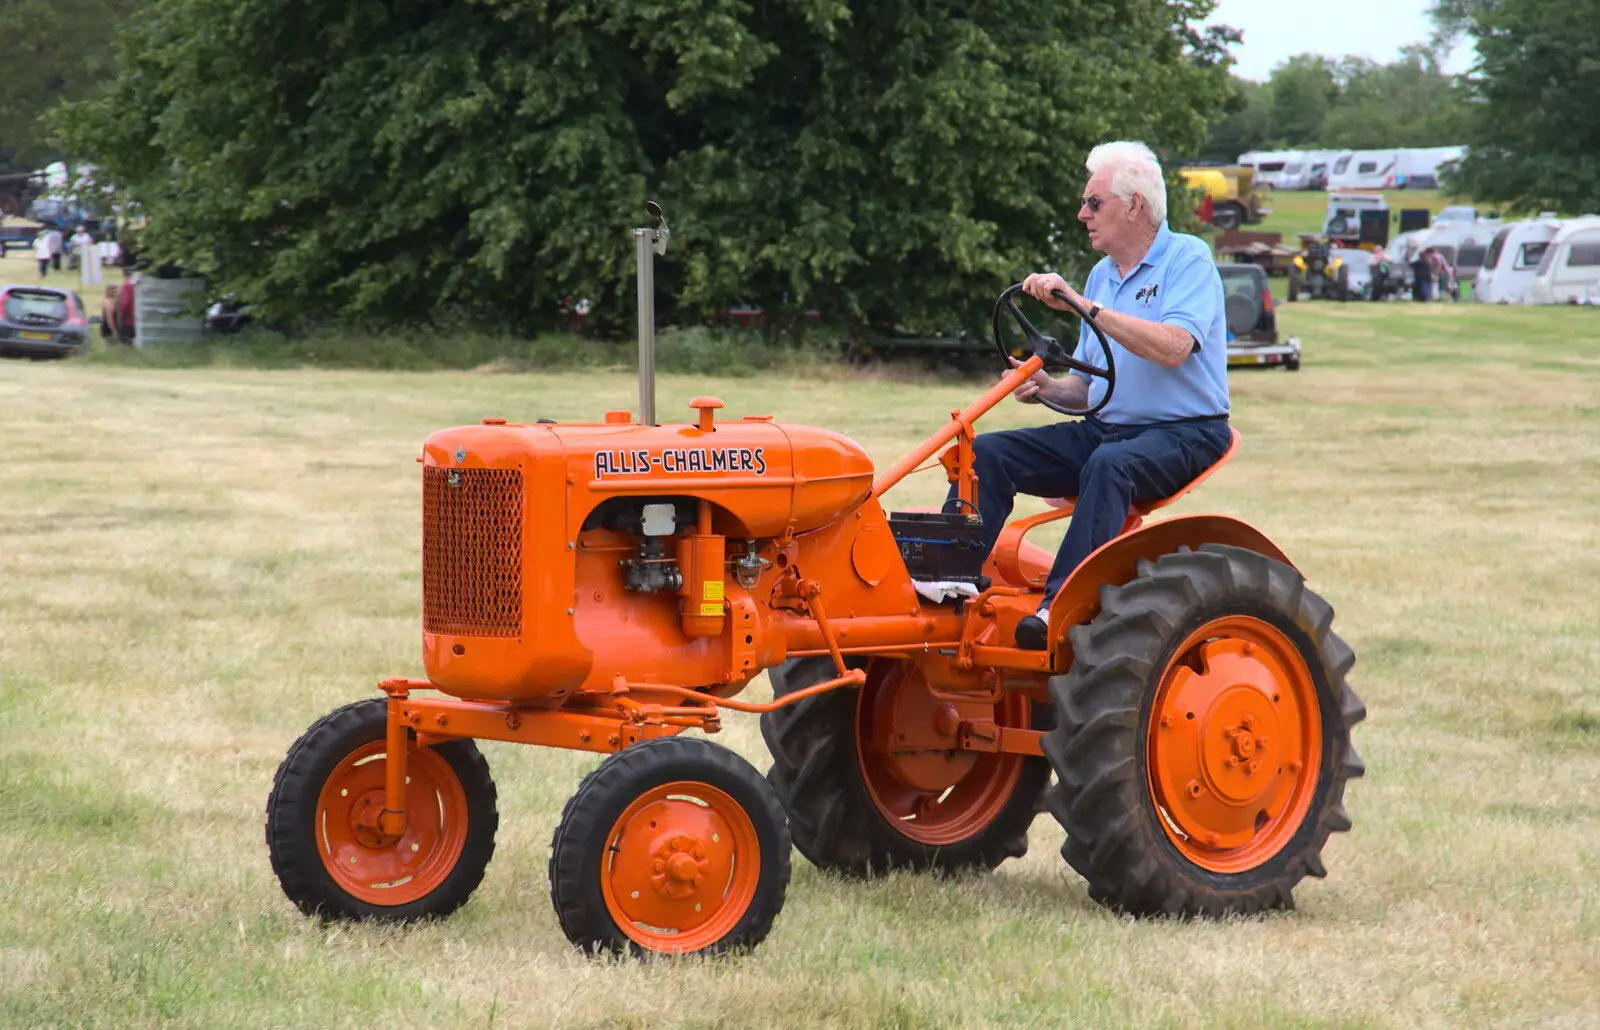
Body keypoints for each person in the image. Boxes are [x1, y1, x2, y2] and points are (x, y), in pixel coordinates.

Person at [950, 140, 1232, 650]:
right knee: (988, 453)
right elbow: (1089, 386)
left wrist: (1083, 306)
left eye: (1093, 202)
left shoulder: (1188, 258)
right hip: (1109, 430)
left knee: (1110, 464)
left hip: (1185, 433)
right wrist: (1049, 389)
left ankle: (1058, 605)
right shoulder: (1103, 275)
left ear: (1135, 206)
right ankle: (946, 583)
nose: (1082, 214)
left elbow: (1173, 347)